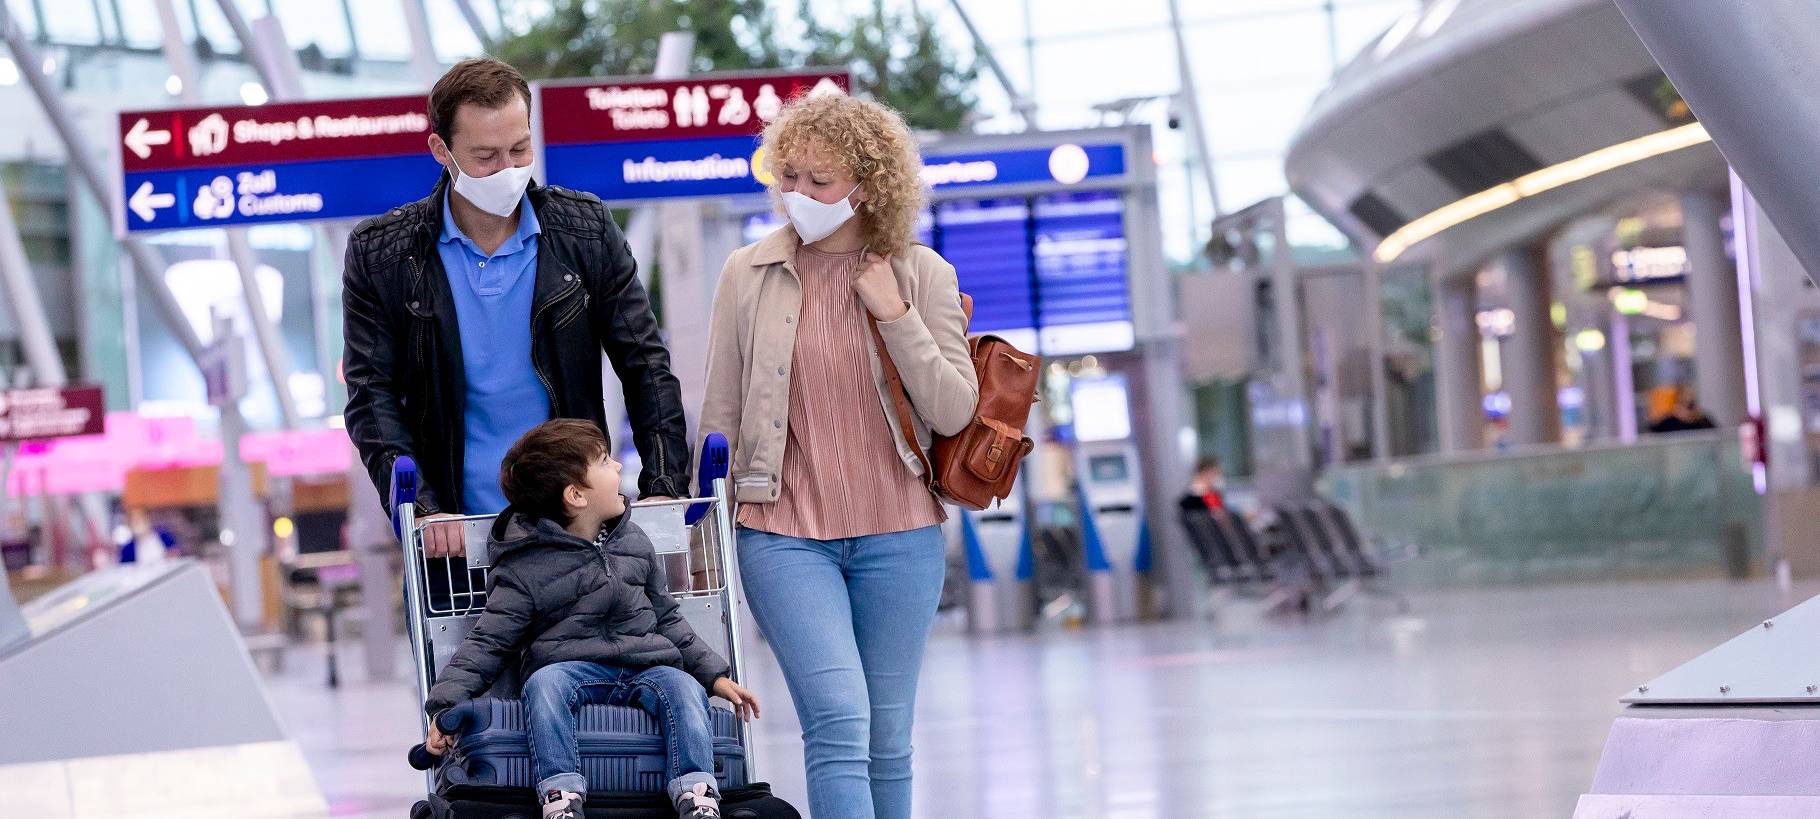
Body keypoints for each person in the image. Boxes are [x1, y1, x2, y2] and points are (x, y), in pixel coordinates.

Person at [699, 93, 978, 819]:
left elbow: (953, 409)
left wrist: (895, 313)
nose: (799, 194)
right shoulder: (748, 274)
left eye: (819, 180)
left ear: (869, 183)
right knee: (839, 718)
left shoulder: (921, 274)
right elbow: (720, 411)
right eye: (788, 175)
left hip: (899, 528)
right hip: (782, 530)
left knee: (888, 735)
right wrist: (707, 520)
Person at [343, 58, 690, 558]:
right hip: (455, 534)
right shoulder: (383, 255)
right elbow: (370, 393)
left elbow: (645, 364)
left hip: (578, 523)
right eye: (485, 156)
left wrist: (663, 483)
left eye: (519, 149)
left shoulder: (584, 231)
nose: (507, 169)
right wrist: (421, 507)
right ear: (442, 150)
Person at [420, 420, 760, 819]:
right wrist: (445, 703)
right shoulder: (526, 564)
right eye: (603, 460)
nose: (617, 467)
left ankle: (696, 790)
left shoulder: (633, 542)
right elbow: (489, 641)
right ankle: (561, 793)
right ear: (576, 495)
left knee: (683, 687)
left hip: (645, 665)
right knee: (543, 685)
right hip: (568, 667)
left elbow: (667, 618)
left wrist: (714, 676)